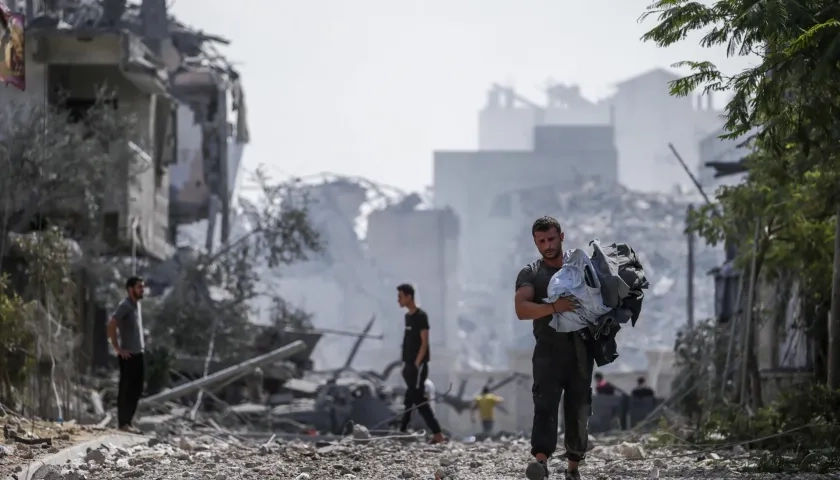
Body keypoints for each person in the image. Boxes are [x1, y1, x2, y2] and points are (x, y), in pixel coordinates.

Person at [514, 216, 593, 480]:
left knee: (578, 408)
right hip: (548, 351)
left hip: (581, 350)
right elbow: (521, 309)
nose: (547, 245)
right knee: (545, 406)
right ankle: (541, 462)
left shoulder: (579, 267)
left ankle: (573, 468)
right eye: (541, 241)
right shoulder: (532, 273)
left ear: (561, 235)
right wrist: (553, 308)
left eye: (551, 238)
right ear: (535, 242)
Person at [397, 283, 446, 444]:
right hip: (408, 365)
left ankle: (403, 431)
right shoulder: (407, 317)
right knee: (417, 400)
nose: (398, 300)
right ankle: (437, 434)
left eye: (400, 296)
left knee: (411, 397)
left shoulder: (421, 316)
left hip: (418, 366)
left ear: (409, 297)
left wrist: (416, 364)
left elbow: (424, 343)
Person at [107, 276, 146, 433]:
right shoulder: (125, 305)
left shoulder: (137, 305)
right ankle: (123, 423)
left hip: (139, 353)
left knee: (137, 389)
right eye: (139, 287)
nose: (142, 290)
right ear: (130, 289)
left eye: (143, 287)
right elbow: (112, 324)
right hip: (128, 355)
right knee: (126, 388)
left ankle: (128, 422)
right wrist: (117, 348)